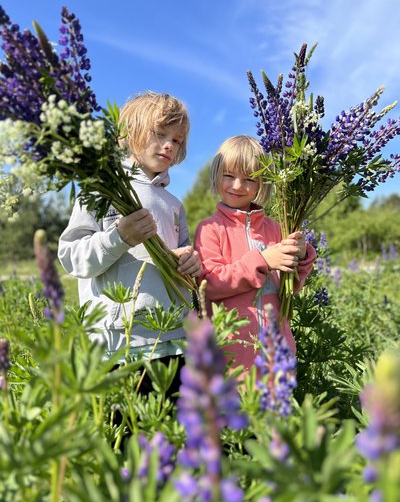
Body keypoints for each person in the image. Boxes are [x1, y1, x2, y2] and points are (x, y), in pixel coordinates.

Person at [58, 92, 202, 385]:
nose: (169, 145)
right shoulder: (101, 188)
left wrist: (190, 260)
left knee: (173, 428)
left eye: (176, 140)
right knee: (126, 429)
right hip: (119, 342)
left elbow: (185, 254)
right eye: (160, 134)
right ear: (131, 133)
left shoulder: (174, 203)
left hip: (173, 336)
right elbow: (72, 258)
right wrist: (120, 236)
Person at [194, 135, 316, 373]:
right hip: (230, 352)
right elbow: (209, 284)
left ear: (262, 183)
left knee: (276, 409)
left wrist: (300, 257)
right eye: (229, 175)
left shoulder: (276, 227)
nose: (237, 185)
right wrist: (262, 261)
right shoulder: (210, 229)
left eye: (249, 179)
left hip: (277, 350)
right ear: (216, 175)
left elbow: (290, 287)